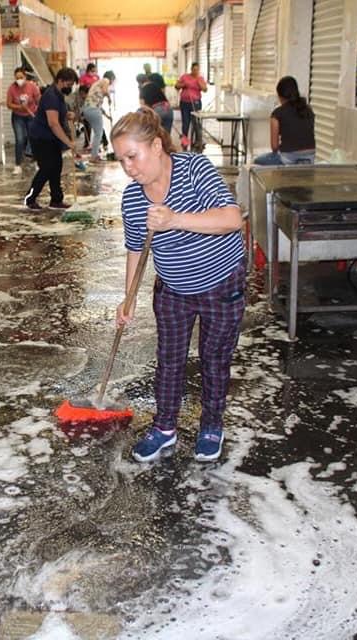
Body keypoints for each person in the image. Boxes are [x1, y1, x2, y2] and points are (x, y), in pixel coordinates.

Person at [111, 107, 246, 463]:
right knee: (169, 360)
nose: (128, 167)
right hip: (173, 288)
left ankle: (211, 425)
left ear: (156, 146)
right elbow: (134, 250)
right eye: (121, 159)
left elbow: (232, 219)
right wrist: (128, 299)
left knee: (214, 359)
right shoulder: (132, 197)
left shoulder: (195, 169)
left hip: (221, 280)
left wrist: (175, 219)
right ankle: (164, 427)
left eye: (132, 156)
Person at [24, 67, 82, 211]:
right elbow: (53, 123)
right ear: (60, 81)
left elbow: (57, 115)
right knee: (46, 168)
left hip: (51, 138)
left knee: (56, 167)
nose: (70, 88)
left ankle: (56, 200)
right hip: (41, 137)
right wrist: (68, 142)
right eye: (68, 84)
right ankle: (29, 198)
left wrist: (66, 114)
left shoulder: (58, 94)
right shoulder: (51, 96)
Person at [253, 76, 316, 165]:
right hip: (310, 156)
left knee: (257, 161)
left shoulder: (277, 114)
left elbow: (274, 147)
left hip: (288, 158)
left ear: (280, 96)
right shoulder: (308, 109)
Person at [6, 67, 40, 175]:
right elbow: (8, 104)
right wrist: (19, 107)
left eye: (21, 77)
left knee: (33, 138)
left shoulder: (32, 86)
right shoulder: (12, 88)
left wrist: (38, 112)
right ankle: (18, 165)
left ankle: (36, 162)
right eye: (17, 78)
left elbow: (39, 99)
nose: (19, 80)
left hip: (31, 115)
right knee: (20, 140)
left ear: (25, 77)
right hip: (18, 116)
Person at [176, 62, 208, 150]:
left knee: (196, 122)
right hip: (185, 103)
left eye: (197, 70)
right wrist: (183, 85)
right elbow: (177, 86)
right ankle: (185, 140)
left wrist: (199, 83)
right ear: (191, 69)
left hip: (196, 103)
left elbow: (205, 89)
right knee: (185, 122)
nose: (195, 71)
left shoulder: (200, 78)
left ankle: (198, 141)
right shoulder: (185, 77)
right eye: (194, 70)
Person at [82, 78, 112, 162]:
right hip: (93, 109)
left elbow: (97, 103)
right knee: (98, 133)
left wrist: (107, 116)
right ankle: (94, 156)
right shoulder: (106, 80)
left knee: (97, 132)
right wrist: (109, 98)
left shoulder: (96, 85)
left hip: (87, 109)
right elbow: (105, 91)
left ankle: (94, 154)